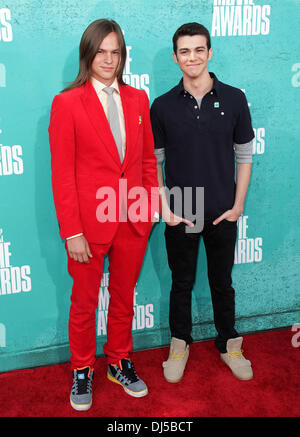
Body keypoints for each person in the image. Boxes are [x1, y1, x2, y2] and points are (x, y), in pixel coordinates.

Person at [49, 19, 159, 411]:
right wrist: (71, 231)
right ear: (88, 55)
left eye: (116, 52)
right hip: (87, 226)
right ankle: (82, 368)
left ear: (123, 56)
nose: (108, 59)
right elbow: (62, 173)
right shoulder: (67, 103)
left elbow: (146, 160)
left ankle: (119, 361)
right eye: (101, 52)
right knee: (83, 302)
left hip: (132, 221)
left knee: (124, 297)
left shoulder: (137, 99)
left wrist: (147, 209)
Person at [150, 22, 254, 384]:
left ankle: (229, 343)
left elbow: (244, 155)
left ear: (209, 53)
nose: (191, 57)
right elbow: (156, 162)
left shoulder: (235, 98)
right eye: (184, 51)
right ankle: (180, 343)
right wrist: (165, 209)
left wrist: (238, 205)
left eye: (198, 50)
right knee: (181, 282)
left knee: (222, 282)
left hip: (224, 208)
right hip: (182, 209)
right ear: (175, 57)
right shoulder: (161, 106)